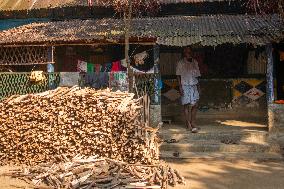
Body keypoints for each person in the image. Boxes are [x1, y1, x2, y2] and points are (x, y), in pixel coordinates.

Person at [176, 47, 201, 133]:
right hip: (185, 85)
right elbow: (178, 75)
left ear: (191, 52)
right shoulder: (180, 63)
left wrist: (199, 87)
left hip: (194, 85)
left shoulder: (195, 62)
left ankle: (193, 122)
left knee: (195, 105)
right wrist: (180, 87)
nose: (188, 52)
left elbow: (197, 76)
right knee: (186, 105)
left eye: (189, 51)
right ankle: (188, 124)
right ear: (183, 52)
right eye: (186, 51)